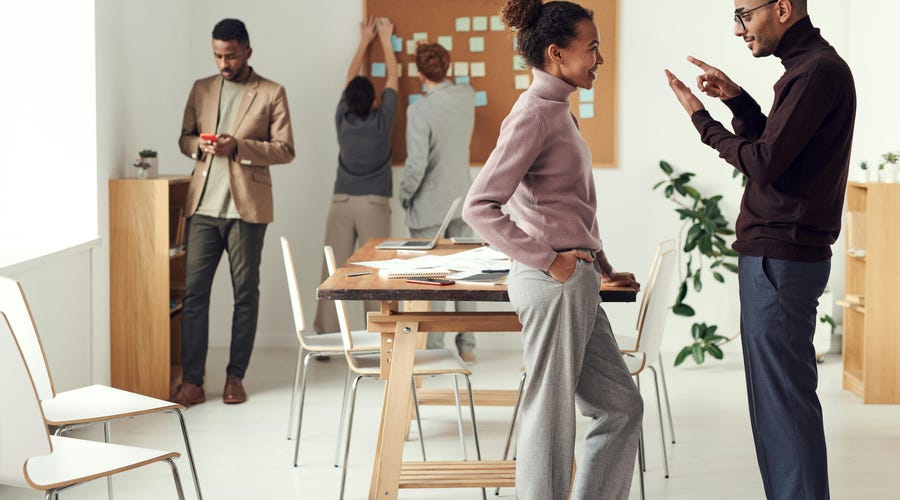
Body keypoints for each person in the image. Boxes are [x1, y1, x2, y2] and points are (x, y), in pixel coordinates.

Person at [665, 1, 856, 498]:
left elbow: (765, 164)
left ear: (783, 9)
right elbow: (786, 154)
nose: (737, 29)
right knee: (780, 406)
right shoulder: (808, 70)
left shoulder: (814, 73)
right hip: (783, 258)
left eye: (743, 15)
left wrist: (700, 119)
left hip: (780, 260)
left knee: (783, 409)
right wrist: (739, 101)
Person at [463, 1, 643, 498]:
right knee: (551, 413)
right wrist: (551, 260)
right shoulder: (534, 115)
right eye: (592, 48)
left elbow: (571, 206)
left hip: (576, 277)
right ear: (556, 53)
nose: (600, 58)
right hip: (554, 281)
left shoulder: (558, 109)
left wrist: (602, 267)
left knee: (621, 406)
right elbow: (479, 206)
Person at [171, 18, 295, 407]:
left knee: (245, 295)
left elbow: (285, 149)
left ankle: (234, 377)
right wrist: (200, 146)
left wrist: (238, 147)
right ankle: (192, 381)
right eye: (218, 56)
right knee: (194, 296)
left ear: (247, 52)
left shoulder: (272, 92)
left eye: (231, 55)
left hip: (247, 210)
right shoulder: (202, 88)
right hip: (203, 208)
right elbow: (184, 137)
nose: (224, 63)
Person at [313, 17, 399, 338]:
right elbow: (393, 79)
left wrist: (364, 40)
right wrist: (386, 41)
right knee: (375, 271)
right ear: (375, 101)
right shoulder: (383, 120)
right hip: (374, 203)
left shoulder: (343, 119)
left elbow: (350, 78)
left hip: (341, 201)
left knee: (333, 268)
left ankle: (324, 333)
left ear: (347, 101)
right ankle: (376, 332)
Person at [400, 41, 478, 361]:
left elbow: (416, 164)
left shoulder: (418, 110)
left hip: (429, 206)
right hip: (463, 198)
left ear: (419, 74)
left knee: (433, 278)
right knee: (465, 274)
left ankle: (433, 349)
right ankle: (468, 346)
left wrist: (405, 195)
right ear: (447, 68)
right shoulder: (467, 97)